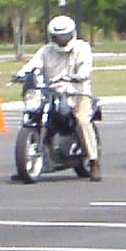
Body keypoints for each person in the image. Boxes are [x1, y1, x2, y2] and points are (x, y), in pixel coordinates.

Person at [16, 15, 101, 181]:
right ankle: (26, 166)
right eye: (57, 37)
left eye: (64, 36)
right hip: (51, 92)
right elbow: (33, 65)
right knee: (35, 113)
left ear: (72, 34)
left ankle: (93, 161)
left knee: (82, 120)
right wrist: (20, 74)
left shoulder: (82, 48)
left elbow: (85, 67)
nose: (61, 40)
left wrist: (79, 76)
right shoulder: (46, 50)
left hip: (77, 92)